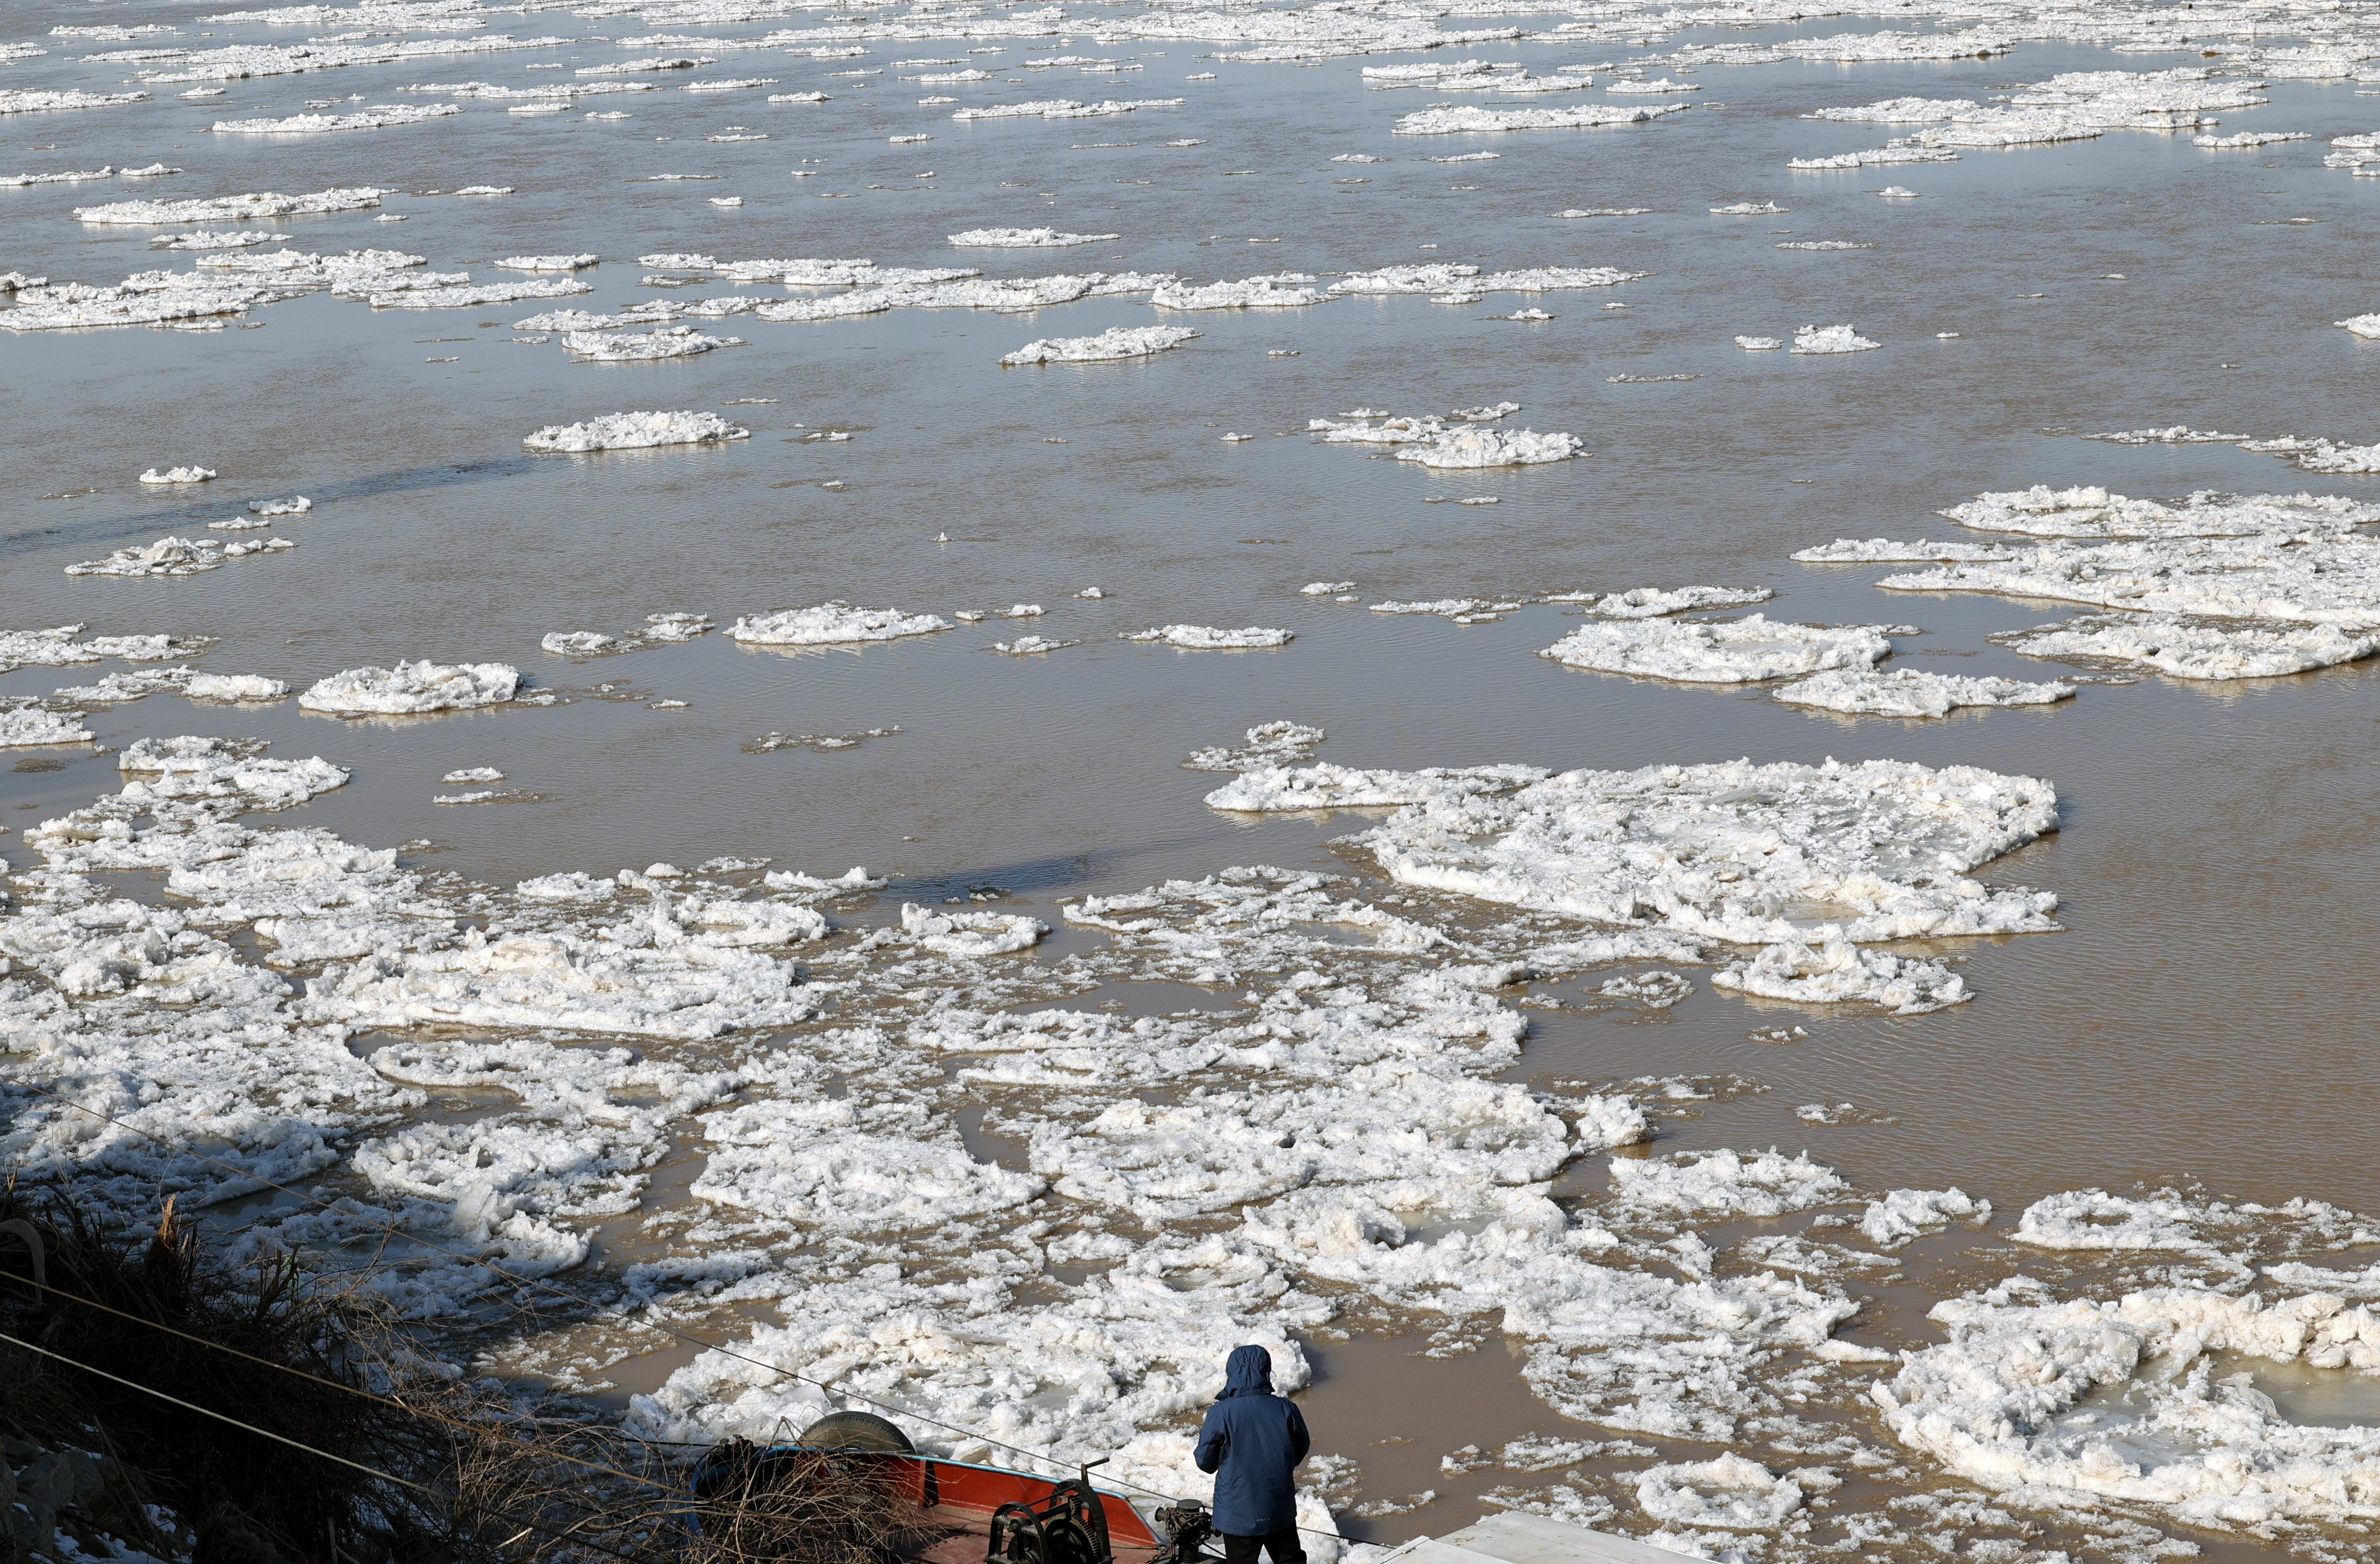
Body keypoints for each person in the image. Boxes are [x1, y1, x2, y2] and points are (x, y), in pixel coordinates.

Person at [1193, 1345, 1311, 1564]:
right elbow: (1302, 1447)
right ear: (1266, 1371)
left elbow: (1205, 1462)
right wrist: (1281, 1466)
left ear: (1232, 1373)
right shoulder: (1286, 1408)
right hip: (1278, 1507)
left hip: (1238, 1512)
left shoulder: (1221, 1412)